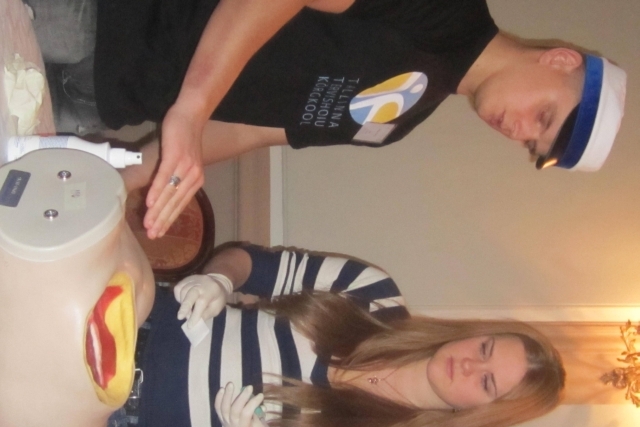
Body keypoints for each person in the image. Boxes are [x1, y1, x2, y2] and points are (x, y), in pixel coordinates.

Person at [33, 0, 626, 239]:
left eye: (532, 144)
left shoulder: (400, 122)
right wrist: (191, 107)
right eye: (544, 116)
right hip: (107, 14)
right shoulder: (448, 12)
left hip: (111, 98)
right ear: (559, 60)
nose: (520, 131)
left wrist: (136, 172)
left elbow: (253, 129)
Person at [104, 242, 565, 427]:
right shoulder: (372, 293)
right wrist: (221, 280)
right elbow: (251, 262)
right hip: (130, 325)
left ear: (480, 415)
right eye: (484, 350)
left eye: (487, 383)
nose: (468, 365)